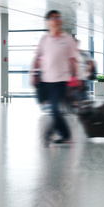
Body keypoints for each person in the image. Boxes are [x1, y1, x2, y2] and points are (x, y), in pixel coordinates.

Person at [30, 10, 78, 145]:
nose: (57, 20)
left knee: (55, 109)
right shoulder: (44, 40)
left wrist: (75, 78)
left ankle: (60, 134)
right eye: (53, 18)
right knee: (47, 107)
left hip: (61, 80)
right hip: (45, 80)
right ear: (47, 22)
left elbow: (73, 60)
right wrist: (33, 73)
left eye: (58, 17)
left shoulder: (67, 39)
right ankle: (55, 132)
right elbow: (37, 57)